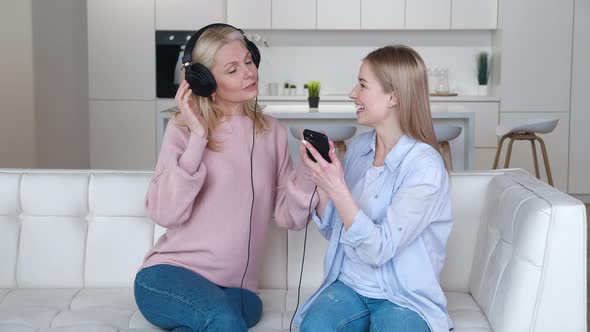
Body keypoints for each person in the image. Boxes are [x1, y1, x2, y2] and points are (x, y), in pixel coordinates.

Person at [133, 23, 317, 332]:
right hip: (170, 275)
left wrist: (310, 171)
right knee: (224, 321)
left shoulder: (272, 133)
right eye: (233, 69)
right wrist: (198, 137)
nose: (249, 72)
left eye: (248, 61)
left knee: (223, 319)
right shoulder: (182, 131)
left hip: (239, 291)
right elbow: (164, 213)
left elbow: (289, 217)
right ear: (205, 82)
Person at [295, 45, 454, 332]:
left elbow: (379, 249)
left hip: (403, 296)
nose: (352, 93)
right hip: (350, 285)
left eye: (363, 85)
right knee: (314, 327)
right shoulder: (359, 149)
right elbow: (336, 229)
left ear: (393, 96)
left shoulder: (425, 166)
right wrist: (322, 181)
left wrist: (338, 188)